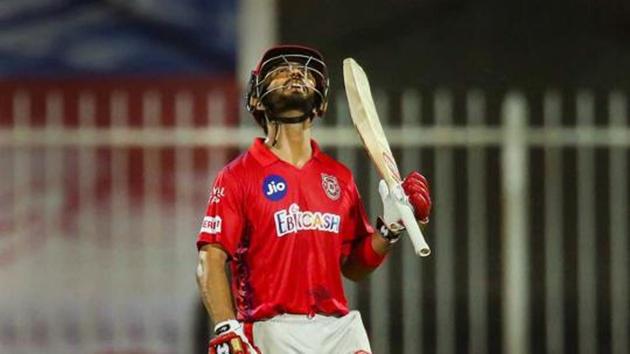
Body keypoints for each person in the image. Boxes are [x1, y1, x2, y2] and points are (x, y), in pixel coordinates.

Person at [195, 45, 432, 354]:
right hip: (270, 331)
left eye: (305, 73)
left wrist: (389, 229)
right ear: (257, 98)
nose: (296, 73)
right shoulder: (237, 176)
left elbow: (354, 267)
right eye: (281, 71)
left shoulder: (340, 177)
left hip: (338, 331)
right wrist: (226, 326)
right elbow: (210, 258)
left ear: (320, 103)